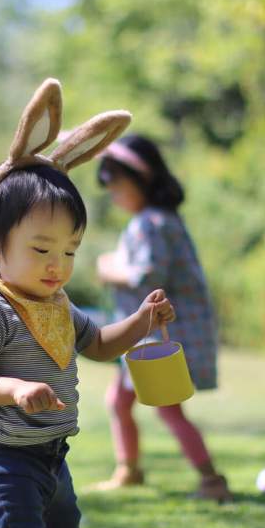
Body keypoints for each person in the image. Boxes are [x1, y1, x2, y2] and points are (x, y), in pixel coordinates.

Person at [0, 80, 177, 528]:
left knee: (64, 524)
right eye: (41, 249)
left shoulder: (57, 305)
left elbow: (100, 343)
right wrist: (13, 389)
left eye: (70, 251)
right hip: (2, 449)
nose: (58, 265)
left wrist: (143, 322)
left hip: (50, 449)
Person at [92, 134, 232, 502]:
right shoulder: (161, 219)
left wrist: (110, 269)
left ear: (141, 179)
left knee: (169, 410)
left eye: (115, 184)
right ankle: (128, 469)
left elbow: (148, 275)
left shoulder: (149, 223)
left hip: (161, 334)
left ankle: (211, 480)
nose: (112, 193)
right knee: (119, 402)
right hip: (154, 334)